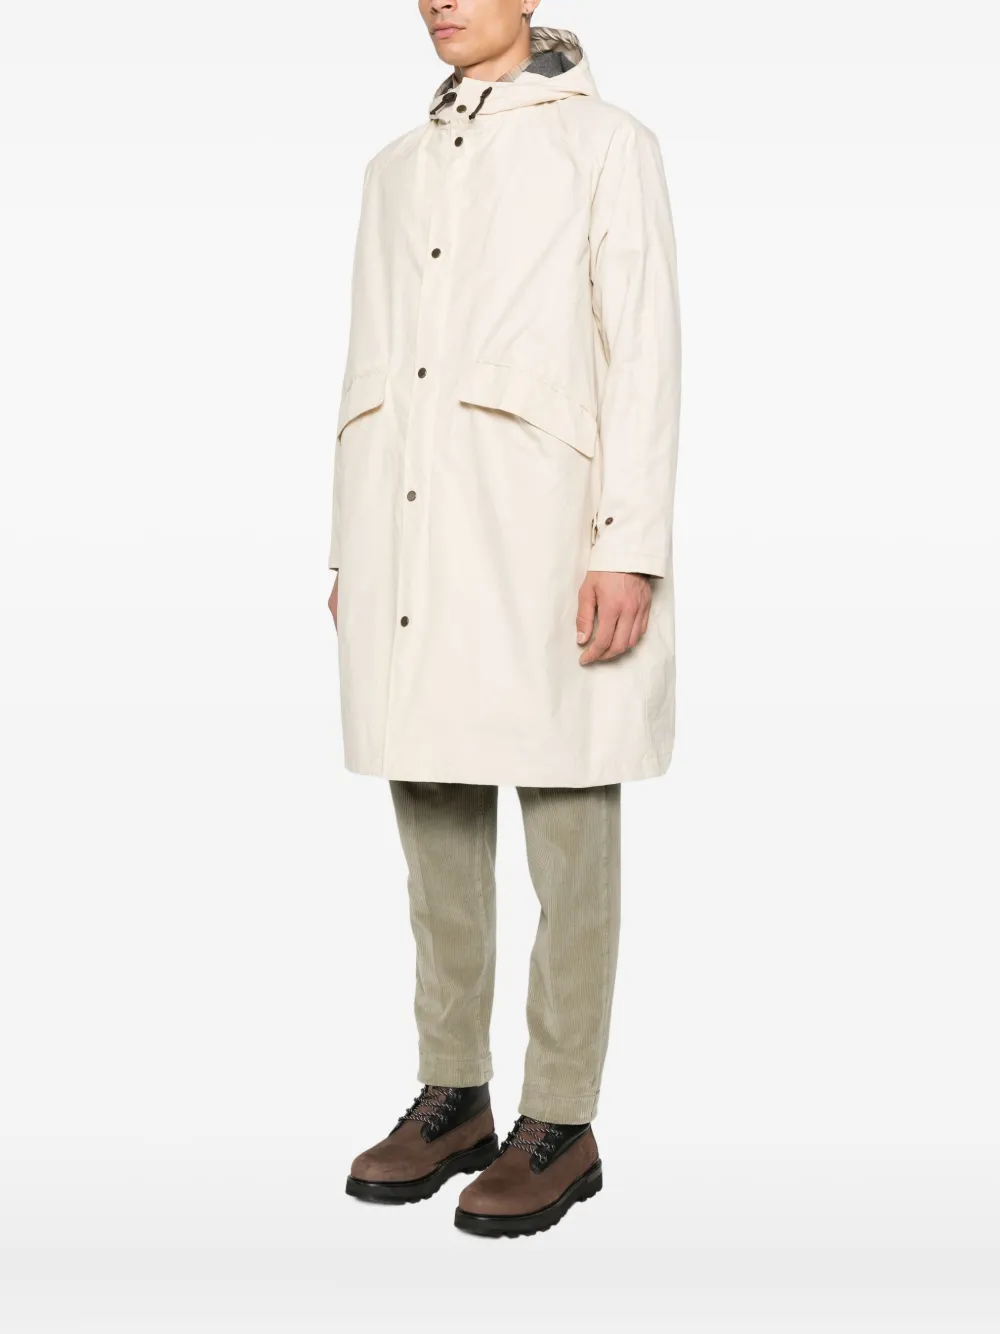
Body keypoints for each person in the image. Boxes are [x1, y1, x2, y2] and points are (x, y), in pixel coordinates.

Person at [328, 0, 680, 1238]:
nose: (437, 0)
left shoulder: (606, 144)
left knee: (568, 811)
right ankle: (455, 1094)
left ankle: (561, 1117)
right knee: (431, 802)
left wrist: (627, 545)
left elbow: (643, 352)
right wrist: (351, 545)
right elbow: (366, 366)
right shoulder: (393, 168)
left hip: (547, 526)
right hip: (409, 527)